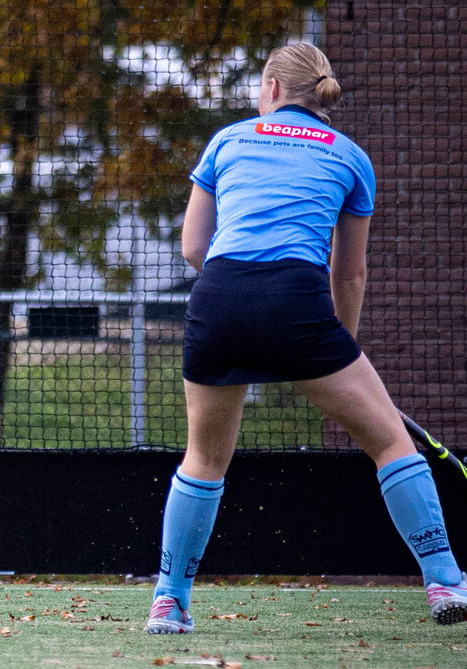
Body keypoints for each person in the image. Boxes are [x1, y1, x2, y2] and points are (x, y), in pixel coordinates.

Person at [147, 39, 466, 636]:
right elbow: (348, 272)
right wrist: (340, 346)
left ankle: (170, 600)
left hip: (218, 299)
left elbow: (195, 249)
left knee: (205, 459)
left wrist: (241, 296)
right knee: (393, 444)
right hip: (299, 301)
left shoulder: (228, 140)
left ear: (270, 90)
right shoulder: (350, 156)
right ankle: (445, 579)